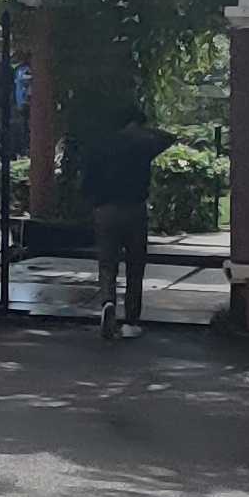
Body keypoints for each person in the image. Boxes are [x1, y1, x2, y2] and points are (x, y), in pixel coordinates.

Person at [75, 111, 180, 338]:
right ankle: (131, 321)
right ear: (136, 124)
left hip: (106, 210)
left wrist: (94, 203)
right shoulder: (141, 146)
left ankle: (107, 302)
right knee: (135, 265)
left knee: (107, 263)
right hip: (134, 209)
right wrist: (144, 131)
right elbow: (169, 138)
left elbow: (85, 183)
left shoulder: (99, 146)